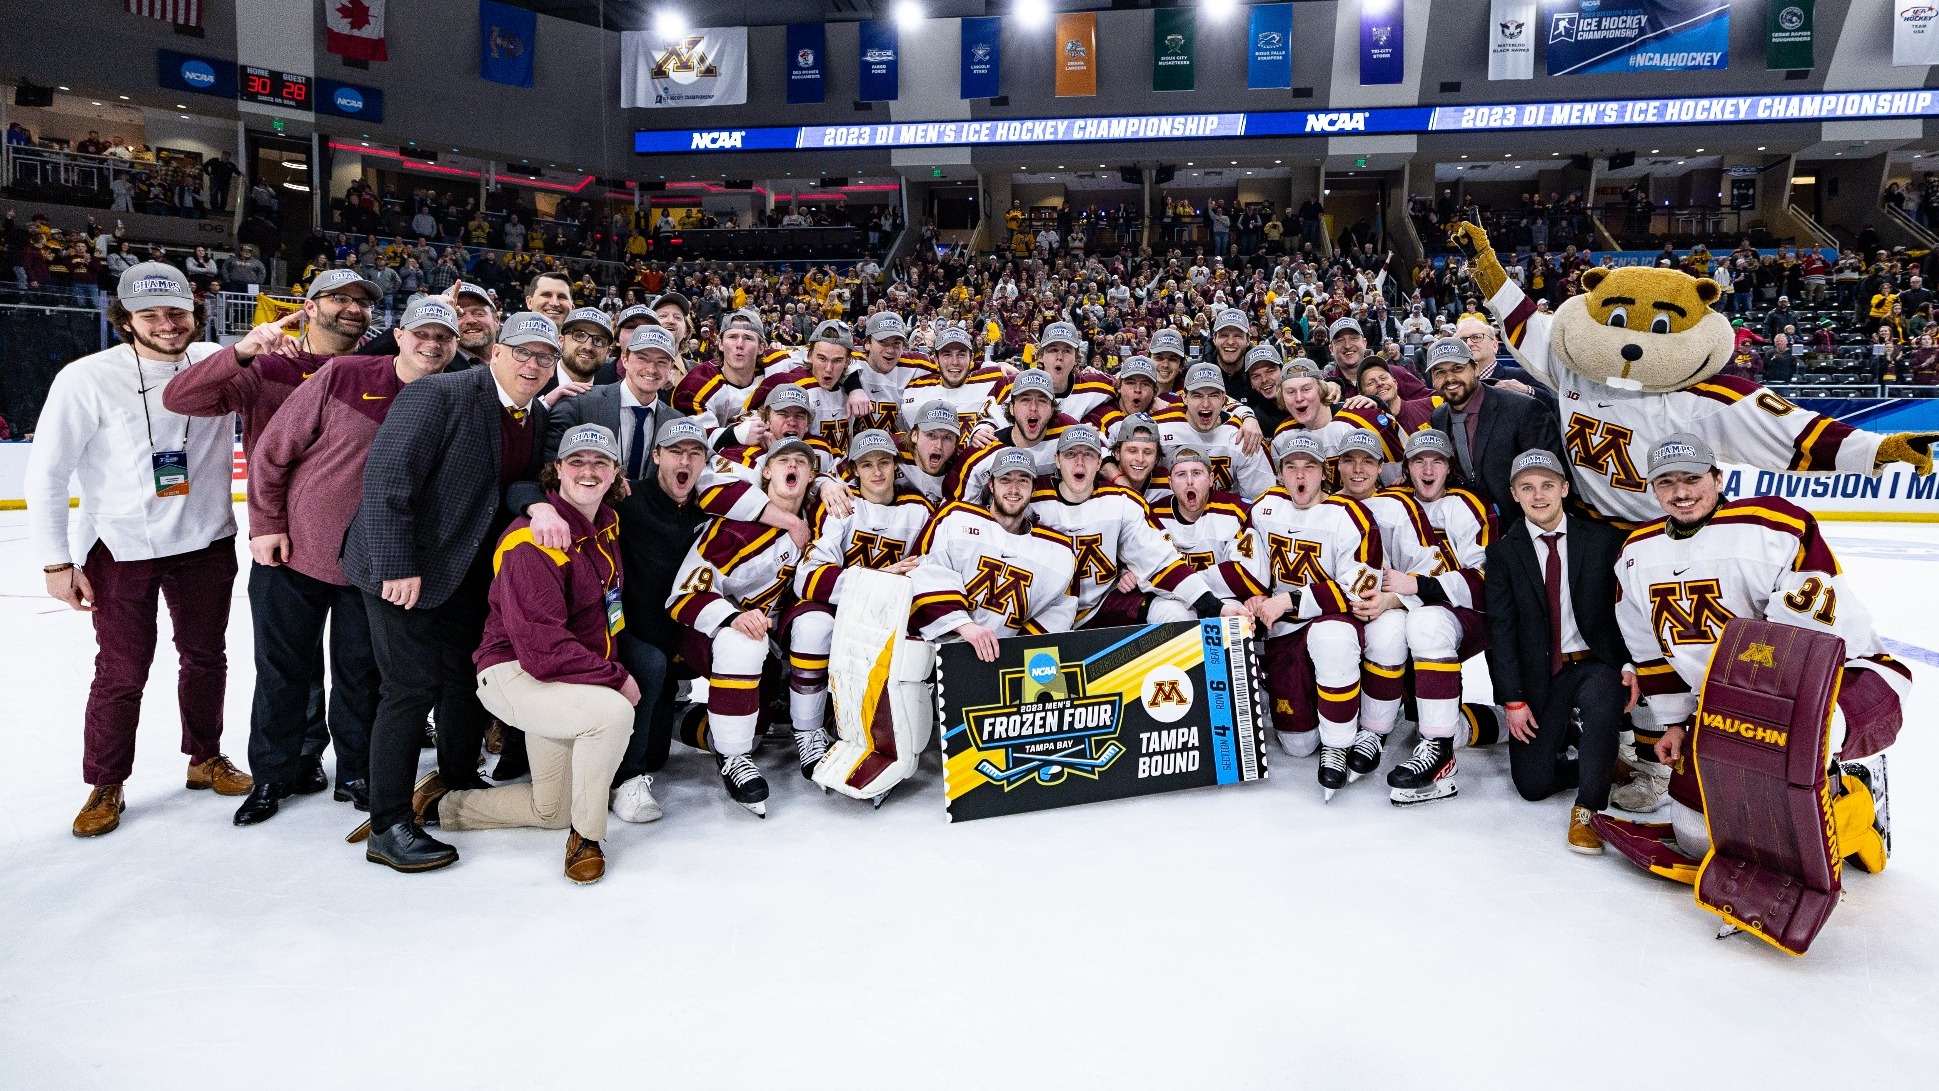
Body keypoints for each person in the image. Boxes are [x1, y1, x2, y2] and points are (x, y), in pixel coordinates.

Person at [25, 262, 251, 837]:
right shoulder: (86, 377)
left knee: (206, 657)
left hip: (206, 540)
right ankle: (107, 781)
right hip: (121, 546)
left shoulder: (216, 363)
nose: (166, 324)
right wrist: (56, 561)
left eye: (176, 312)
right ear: (125, 319)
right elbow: (48, 472)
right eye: (150, 315)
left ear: (195, 311)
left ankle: (205, 757)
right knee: (122, 670)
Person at [340, 312, 559, 873]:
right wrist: (397, 564)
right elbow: (387, 478)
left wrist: (536, 503)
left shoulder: (534, 414)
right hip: (403, 566)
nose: (534, 365)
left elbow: (516, 479)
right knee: (409, 687)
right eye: (523, 353)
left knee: (465, 680)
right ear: (497, 352)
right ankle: (389, 825)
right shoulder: (439, 394)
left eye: (545, 357)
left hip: (464, 571)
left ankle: (457, 781)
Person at [229, 297, 460, 825]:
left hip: (374, 565)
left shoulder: (452, 397)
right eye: (422, 333)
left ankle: (357, 771)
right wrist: (266, 523)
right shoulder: (344, 375)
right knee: (283, 671)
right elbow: (273, 450)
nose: (431, 345)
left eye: (443, 337)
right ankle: (274, 773)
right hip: (295, 553)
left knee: (362, 675)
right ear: (398, 335)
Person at [415, 424, 638, 884]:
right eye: (577, 462)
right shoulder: (532, 541)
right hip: (515, 673)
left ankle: (441, 803)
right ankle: (587, 838)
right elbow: (541, 649)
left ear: (616, 473)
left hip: (563, 677)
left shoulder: (605, 526)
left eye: (600, 462)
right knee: (613, 713)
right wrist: (615, 677)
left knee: (551, 809)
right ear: (557, 470)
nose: (589, 471)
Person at [1483, 450, 1636, 851]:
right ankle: (1598, 761)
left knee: (1602, 698)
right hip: (1542, 672)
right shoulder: (1502, 554)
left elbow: (1626, 610)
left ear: (1565, 489)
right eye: (1527, 487)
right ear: (1514, 494)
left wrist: (1629, 663)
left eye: (1547, 485)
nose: (1539, 495)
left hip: (1593, 662)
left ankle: (1588, 810)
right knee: (1533, 785)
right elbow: (1502, 631)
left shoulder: (1602, 541)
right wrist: (1513, 699)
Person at [1222, 431, 1383, 797]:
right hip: (1282, 631)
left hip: (1331, 620)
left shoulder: (1351, 514)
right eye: (1291, 467)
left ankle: (1339, 744)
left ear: (1324, 472)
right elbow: (1245, 560)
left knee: (1332, 639)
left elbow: (1361, 584)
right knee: (1298, 745)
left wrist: (1289, 601)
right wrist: (1253, 595)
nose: (1299, 475)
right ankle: (1322, 707)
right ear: (1280, 473)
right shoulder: (1265, 506)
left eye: (1309, 467)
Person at [665, 438, 820, 817]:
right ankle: (733, 758)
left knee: (753, 731)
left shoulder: (817, 519)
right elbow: (683, 596)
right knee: (743, 644)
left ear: (811, 476)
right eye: (783, 460)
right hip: (702, 632)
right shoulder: (733, 528)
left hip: (766, 641)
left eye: (801, 462)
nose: (792, 466)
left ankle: (674, 720)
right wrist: (732, 617)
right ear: (765, 472)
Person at [787, 429, 935, 778]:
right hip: (839, 607)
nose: (877, 472)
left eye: (884, 462)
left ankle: (896, 737)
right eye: (866, 465)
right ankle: (808, 732)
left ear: (896, 465)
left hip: (893, 609)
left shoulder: (919, 510)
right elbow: (807, 578)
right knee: (812, 628)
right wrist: (877, 579)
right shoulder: (840, 506)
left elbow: (928, 567)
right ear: (853, 470)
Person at [607, 417, 713, 823]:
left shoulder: (710, 503)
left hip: (676, 640)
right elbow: (540, 491)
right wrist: (539, 508)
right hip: (626, 636)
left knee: (658, 758)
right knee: (651, 665)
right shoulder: (628, 498)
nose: (684, 461)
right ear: (656, 456)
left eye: (694, 453)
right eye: (675, 452)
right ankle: (626, 780)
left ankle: (680, 720)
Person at [1425, 337, 1563, 517]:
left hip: (1519, 522)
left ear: (1476, 369)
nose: (1450, 378)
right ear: (1432, 379)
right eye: (1440, 372)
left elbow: (1551, 478)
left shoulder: (1523, 409)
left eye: (1457, 368)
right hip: (1469, 521)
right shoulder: (1439, 416)